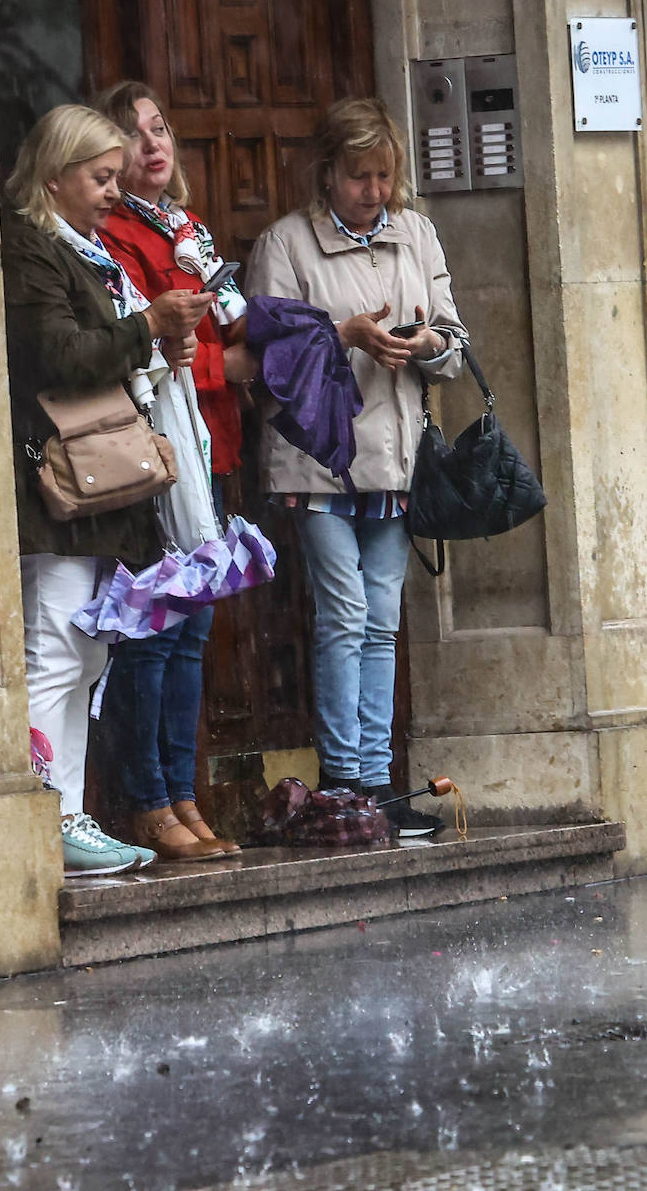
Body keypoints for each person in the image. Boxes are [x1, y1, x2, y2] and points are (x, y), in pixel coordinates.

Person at [245, 96, 468, 837]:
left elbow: (457, 346)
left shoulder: (418, 236)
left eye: (384, 176)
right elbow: (268, 360)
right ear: (327, 173)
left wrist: (426, 345)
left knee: (381, 621)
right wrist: (347, 335)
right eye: (358, 176)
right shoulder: (286, 244)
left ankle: (374, 786)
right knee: (342, 616)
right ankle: (343, 781)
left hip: (397, 461)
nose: (374, 191)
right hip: (320, 463)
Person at [1, 103, 214, 876]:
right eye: (98, 179)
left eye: (115, 180)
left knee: (88, 655)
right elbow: (56, 353)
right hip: (59, 487)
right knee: (57, 648)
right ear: (54, 176)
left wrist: (162, 340)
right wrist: (146, 328)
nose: (110, 194)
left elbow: (115, 351)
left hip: (106, 489)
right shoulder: (30, 248)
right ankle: (46, 814)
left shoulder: (88, 249)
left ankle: (70, 810)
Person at [92, 81, 255, 861]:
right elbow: (152, 346)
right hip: (154, 453)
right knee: (153, 633)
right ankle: (146, 801)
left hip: (208, 448)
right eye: (133, 135)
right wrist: (235, 361)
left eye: (160, 129)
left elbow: (224, 321)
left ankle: (184, 792)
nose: (152, 145)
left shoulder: (188, 226)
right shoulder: (115, 233)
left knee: (194, 632)